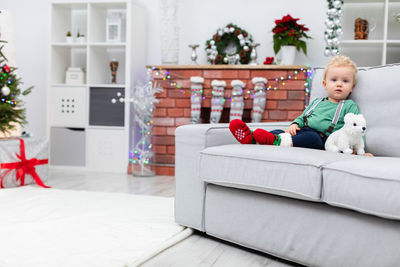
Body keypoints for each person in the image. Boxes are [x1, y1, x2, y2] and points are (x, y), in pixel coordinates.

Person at [229, 55, 373, 156]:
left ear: (352, 87)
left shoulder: (348, 105)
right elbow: (303, 116)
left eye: (345, 81)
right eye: (334, 79)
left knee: (312, 138)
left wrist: (359, 149)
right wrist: (294, 124)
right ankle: (253, 137)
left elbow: (357, 128)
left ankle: (277, 141)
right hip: (303, 130)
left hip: (322, 139)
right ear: (325, 84)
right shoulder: (317, 102)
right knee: (282, 131)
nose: (339, 84)